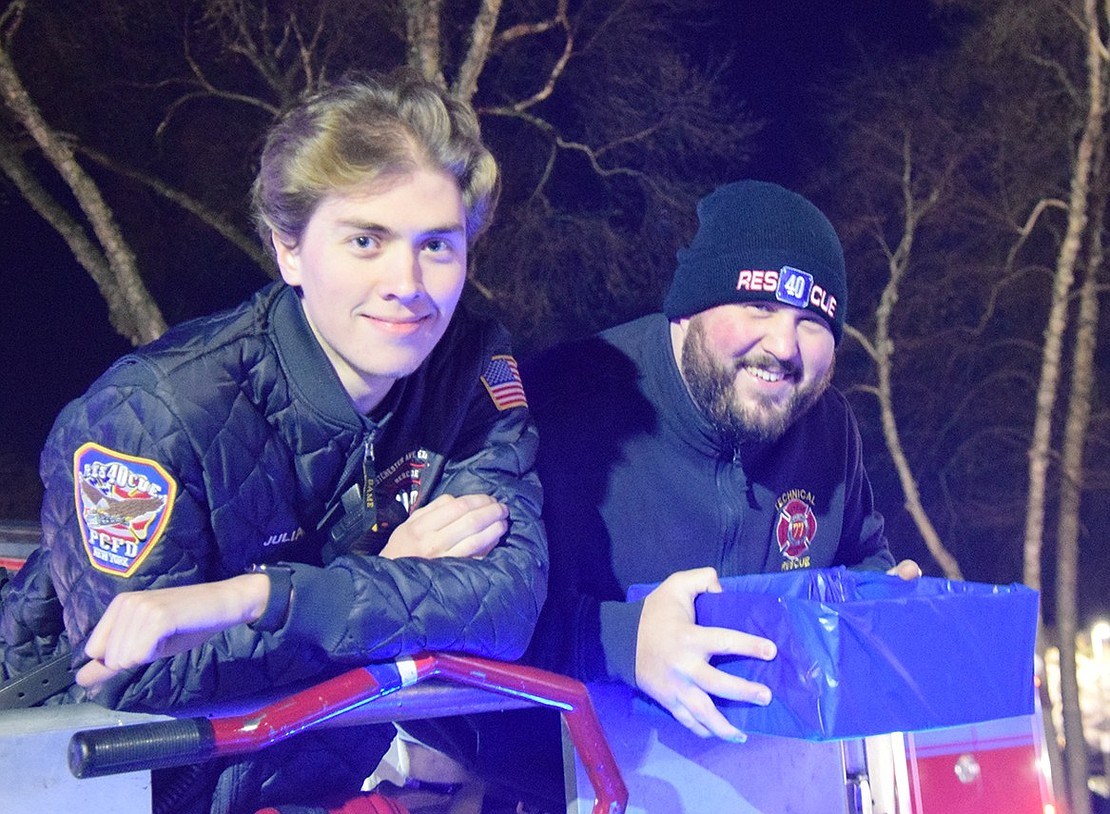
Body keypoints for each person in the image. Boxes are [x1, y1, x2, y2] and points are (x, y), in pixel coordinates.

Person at [0, 70, 546, 813]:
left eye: (437, 246)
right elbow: (140, 676)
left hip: (294, 778)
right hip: (60, 768)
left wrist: (257, 596)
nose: (407, 282)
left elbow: (507, 606)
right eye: (365, 240)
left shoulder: (470, 374)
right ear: (288, 249)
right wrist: (396, 577)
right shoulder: (147, 416)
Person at [521, 180, 919, 743]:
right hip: (557, 784)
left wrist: (877, 601)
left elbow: (859, 557)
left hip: (765, 778)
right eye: (760, 305)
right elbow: (474, 613)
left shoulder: (829, 430)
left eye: (812, 321)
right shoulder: (559, 404)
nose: (784, 346)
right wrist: (622, 641)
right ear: (689, 309)